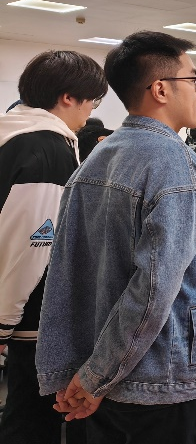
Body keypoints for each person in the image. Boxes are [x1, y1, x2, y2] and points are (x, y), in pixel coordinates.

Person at [35, 31, 196, 443]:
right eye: (193, 79)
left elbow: (67, 275)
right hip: (163, 376)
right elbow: (154, 289)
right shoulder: (175, 163)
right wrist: (95, 376)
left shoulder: (100, 154)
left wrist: (83, 372)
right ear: (160, 89)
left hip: (106, 368)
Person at [0, 51, 106, 444]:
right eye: (91, 101)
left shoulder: (15, 134)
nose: (90, 112)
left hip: (16, 309)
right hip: (28, 316)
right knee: (31, 420)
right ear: (68, 97)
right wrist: (3, 322)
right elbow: (29, 246)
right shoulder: (46, 149)